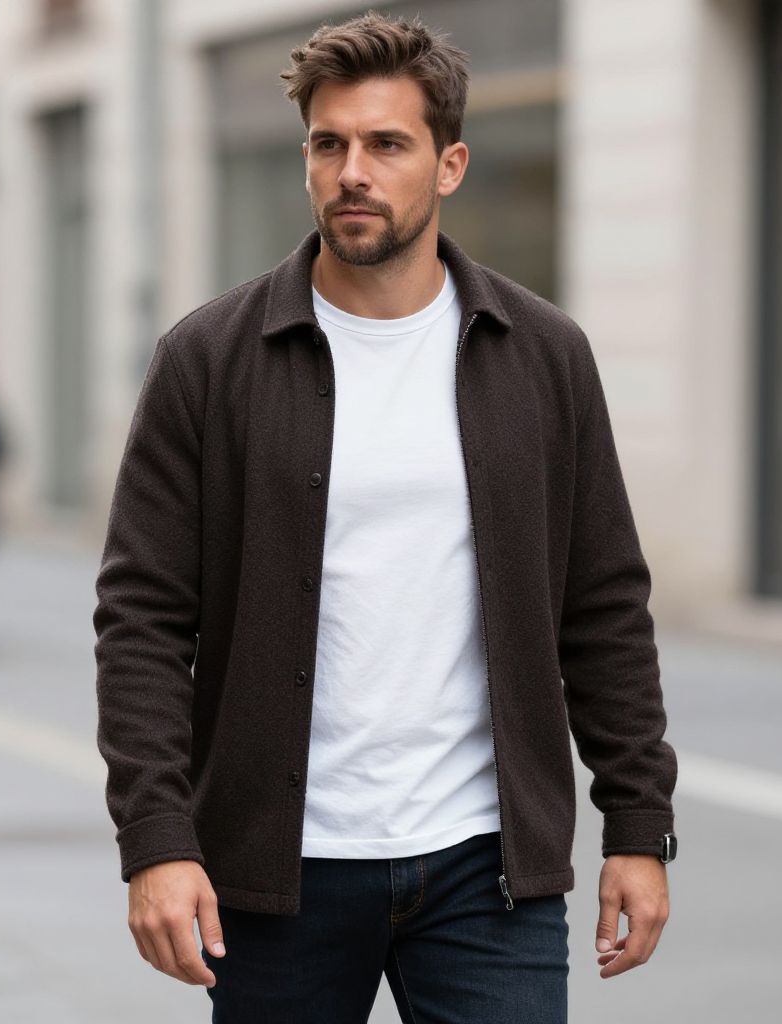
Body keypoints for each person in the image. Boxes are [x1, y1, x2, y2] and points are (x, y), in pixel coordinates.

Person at [93, 10, 677, 1022]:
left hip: (486, 869)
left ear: (449, 165)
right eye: (328, 144)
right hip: (277, 872)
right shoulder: (209, 358)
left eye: (386, 145)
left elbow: (603, 605)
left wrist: (637, 821)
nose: (352, 172)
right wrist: (156, 840)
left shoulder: (542, 354)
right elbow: (141, 619)